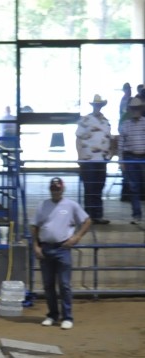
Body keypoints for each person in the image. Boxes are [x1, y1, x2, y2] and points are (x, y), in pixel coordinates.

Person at [31, 178, 92, 330]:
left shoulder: (71, 205)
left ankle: (67, 316)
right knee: (48, 285)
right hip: (46, 248)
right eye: (53, 189)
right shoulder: (43, 205)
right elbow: (34, 226)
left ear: (62, 189)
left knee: (64, 285)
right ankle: (52, 314)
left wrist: (76, 237)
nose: (55, 191)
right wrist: (35, 246)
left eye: (58, 189)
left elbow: (87, 221)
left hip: (62, 248)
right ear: (50, 189)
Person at [75, 94, 114, 225]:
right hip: (88, 159)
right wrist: (80, 156)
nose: (98, 107)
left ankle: (98, 215)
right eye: (96, 105)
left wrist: (109, 155)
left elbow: (109, 139)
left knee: (99, 187)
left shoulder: (106, 121)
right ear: (93, 106)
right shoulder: (85, 120)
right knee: (89, 188)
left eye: (99, 105)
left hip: (102, 160)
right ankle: (88, 217)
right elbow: (78, 138)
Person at [118, 97, 145, 224]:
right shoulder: (125, 124)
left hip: (143, 158)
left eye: (137, 108)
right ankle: (137, 215)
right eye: (133, 108)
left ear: (141, 109)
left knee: (138, 186)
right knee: (134, 187)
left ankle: (137, 214)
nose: (135, 110)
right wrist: (121, 160)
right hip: (130, 157)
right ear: (130, 109)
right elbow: (121, 143)